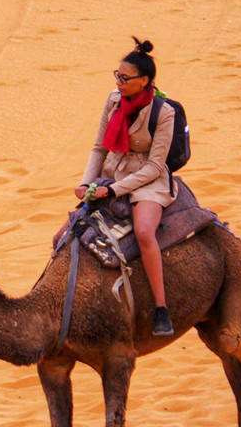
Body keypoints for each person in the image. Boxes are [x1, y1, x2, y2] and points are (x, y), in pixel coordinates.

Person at [75, 38, 178, 338]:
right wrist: (85, 183)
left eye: (125, 78)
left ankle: (161, 309)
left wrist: (115, 190)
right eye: (117, 76)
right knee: (67, 233)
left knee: (144, 231)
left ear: (145, 81)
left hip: (148, 180)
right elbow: (99, 148)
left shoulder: (164, 113)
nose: (119, 83)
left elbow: (155, 167)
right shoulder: (113, 101)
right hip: (113, 173)